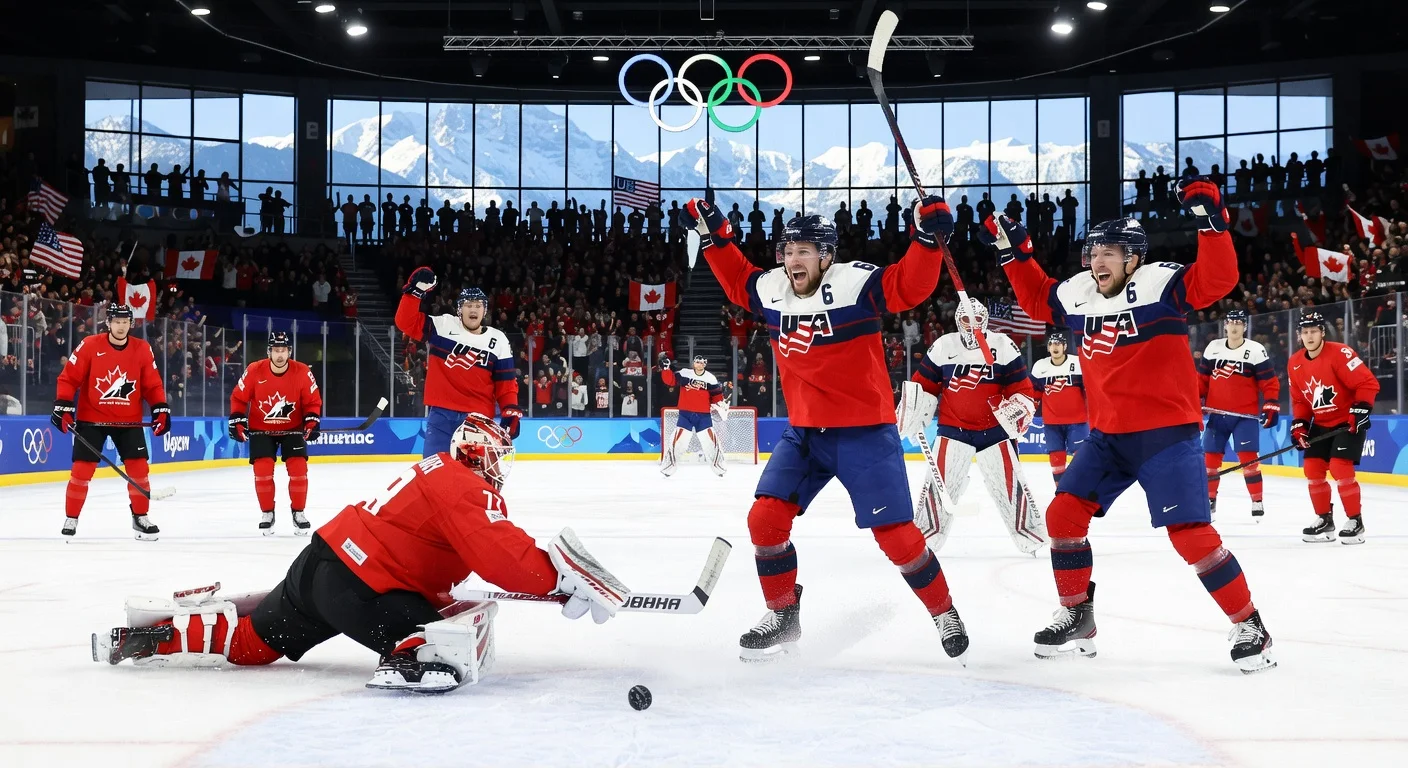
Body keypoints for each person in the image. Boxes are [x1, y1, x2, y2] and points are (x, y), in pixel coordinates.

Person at [92, 415, 630, 694]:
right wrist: (555, 577)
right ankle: (407, 658)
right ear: (480, 452)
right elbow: (500, 557)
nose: (502, 465)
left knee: (255, 642)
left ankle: (155, 635)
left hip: (320, 566)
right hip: (359, 587)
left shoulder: (436, 469)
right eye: (499, 455)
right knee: (439, 644)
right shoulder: (466, 486)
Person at [978, 177, 1276, 674]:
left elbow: (1218, 280)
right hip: (1108, 438)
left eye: (1110, 253)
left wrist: (1212, 222)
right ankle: (1077, 615)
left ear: (1133, 257)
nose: (1097, 262)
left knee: (1190, 534)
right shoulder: (1079, 293)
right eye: (1093, 253)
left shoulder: (1160, 284)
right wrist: (1013, 253)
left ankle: (1251, 625)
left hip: (1167, 434)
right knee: (1063, 518)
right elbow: (1037, 300)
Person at [680, 195, 971, 663]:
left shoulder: (856, 283)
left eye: (804, 250)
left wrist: (926, 241)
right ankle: (782, 614)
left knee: (897, 537)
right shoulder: (774, 287)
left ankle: (944, 612)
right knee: (764, 520)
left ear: (827, 255)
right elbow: (737, 280)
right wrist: (716, 235)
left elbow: (907, 287)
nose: (793, 259)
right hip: (806, 434)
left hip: (864, 433)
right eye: (788, 251)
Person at [902, 299, 1044, 555]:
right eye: (967, 320)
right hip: (953, 430)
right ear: (958, 321)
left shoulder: (1002, 345)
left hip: (995, 432)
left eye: (977, 320)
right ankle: (924, 541)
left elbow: (1021, 388)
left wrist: (1019, 406)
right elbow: (924, 384)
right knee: (938, 486)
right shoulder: (944, 345)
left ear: (986, 320)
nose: (972, 325)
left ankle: (1032, 539)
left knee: (1011, 487)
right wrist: (915, 408)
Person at [51, 304, 170, 540]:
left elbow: (152, 384)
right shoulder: (90, 345)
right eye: (116, 321)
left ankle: (140, 518)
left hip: (128, 422)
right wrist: (63, 405)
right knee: (81, 471)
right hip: (91, 419)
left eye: (125, 321)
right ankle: (71, 518)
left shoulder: (142, 349)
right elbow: (69, 378)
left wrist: (160, 408)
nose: (121, 325)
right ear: (108, 323)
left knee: (139, 470)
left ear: (130, 324)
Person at [396, 274, 521, 455]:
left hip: (478, 419)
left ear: (484, 311)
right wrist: (414, 293)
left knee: (474, 477)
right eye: (468, 305)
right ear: (459, 309)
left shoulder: (498, 340)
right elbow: (405, 323)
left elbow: (506, 383)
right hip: (441, 416)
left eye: (478, 306)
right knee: (435, 473)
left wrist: (510, 411)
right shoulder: (444, 325)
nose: (473, 309)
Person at [1288, 311, 1380, 545]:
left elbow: (1367, 383)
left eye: (1314, 331)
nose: (1309, 336)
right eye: (1305, 332)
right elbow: (1300, 400)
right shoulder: (1295, 362)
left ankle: (1355, 520)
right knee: (1312, 468)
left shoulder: (1340, 353)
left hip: (1346, 420)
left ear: (1322, 332)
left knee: (1340, 467)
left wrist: (1360, 409)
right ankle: (1324, 519)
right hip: (1320, 423)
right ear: (1300, 335)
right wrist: (1299, 425)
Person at [228, 331, 323, 536]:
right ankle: (267, 513)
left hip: (293, 429)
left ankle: (298, 513)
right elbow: (239, 397)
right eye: (276, 350)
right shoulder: (254, 370)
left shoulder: (302, 371)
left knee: (298, 470)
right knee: (262, 471)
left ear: (289, 351)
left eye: (284, 350)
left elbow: (312, 401)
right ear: (269, 352)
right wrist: (236, 417)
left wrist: (312, 419)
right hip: (262, 429)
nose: (280, 355)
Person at [1197, 309, 1280, 521]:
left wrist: (1271, 403)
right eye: (1231, 321)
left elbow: (1269, 382)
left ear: (1245, 326)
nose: (1234, 326)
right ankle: (1210, 501)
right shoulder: (1213, 348)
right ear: (1225, 325)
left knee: (1249, 461)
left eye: (1239, 322)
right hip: (1217, 415)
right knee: (1210, 461)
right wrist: (1196, 399)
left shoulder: (1255, 350)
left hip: (1245, 416)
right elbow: (1202, 380)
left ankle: (1257, 500)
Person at [1029, 330, 1088, 483]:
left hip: (1078, 421)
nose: (1055, 347)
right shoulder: (1039, 367)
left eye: (1058, 344)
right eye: (1051, 344)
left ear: (1065, 346)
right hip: (1051, 423)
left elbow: (1089, 389)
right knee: (1056, 460)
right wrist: (1029, 412)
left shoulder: (1078, 363)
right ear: (1048, 348)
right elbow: (1034, 393)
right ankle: (1061, 491)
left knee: (1081, 457)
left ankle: (1079, 490)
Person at [659, 354, 727, 477]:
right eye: (697, 362)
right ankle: (668, 468)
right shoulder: (684, 373)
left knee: (711, 442)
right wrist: (666, 369)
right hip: (686, 414)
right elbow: (670, 381)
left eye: (702, 363)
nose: (700, 364)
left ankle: (719, 468)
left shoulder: (711, 378)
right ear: (693, 363)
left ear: (705, 364)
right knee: (678, 441)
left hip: (704, 415)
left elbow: (716, 397)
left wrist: (721, 403)